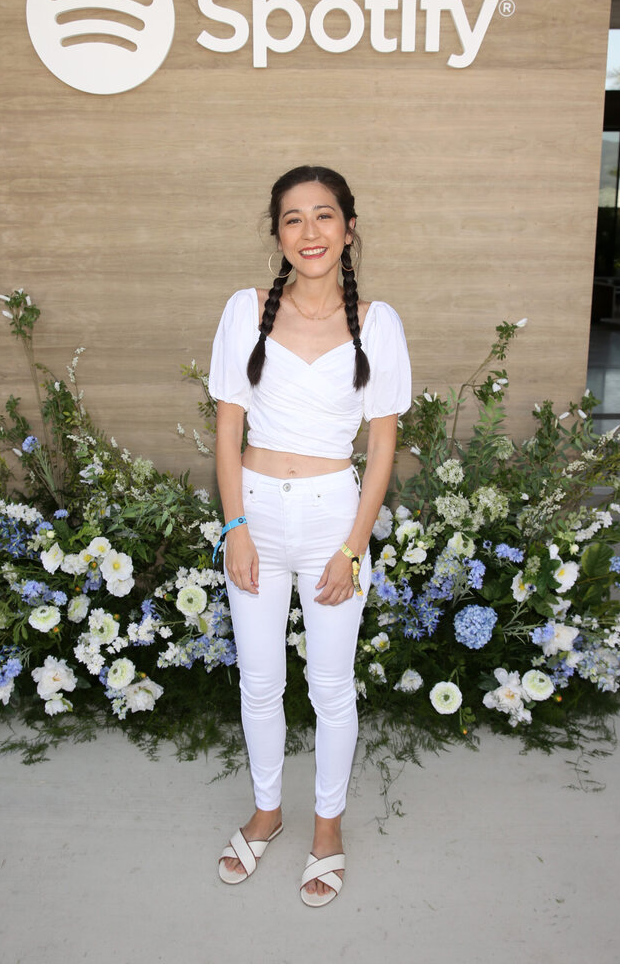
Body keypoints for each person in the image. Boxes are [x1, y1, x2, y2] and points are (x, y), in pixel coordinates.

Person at [208, 165, 412, 907]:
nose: (310, 232)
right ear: (278, 235)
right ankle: (267, 812)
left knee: (329, 684)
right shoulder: (246, 311)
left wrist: (354, 546)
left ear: (349, 229)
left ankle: (328, 828)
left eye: (324, 216)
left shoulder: (378, 325)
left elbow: (382, 445)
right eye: (293, 218)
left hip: (334, 518)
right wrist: (235, 527)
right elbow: (227, 429)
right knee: (261, 682)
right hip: (255, 514)